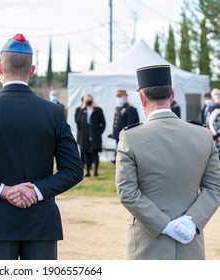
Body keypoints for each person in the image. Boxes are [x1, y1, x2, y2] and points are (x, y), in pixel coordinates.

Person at [0, 33, 83, 260]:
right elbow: (73, 170)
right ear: (32, 70)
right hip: (41, 223)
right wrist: (36, 191)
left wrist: (3, 191)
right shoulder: (54, 112)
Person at [116, 64, 220, 260]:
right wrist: (193, 222)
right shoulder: (203, 135)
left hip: (147, 244)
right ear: (172, 95)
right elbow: (215, 187)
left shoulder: (130, 137)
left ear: (141, 98)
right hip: (190, 242)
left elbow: (127, 192)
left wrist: (164, 225)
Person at [75, 94, 106, 177]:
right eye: (86, 100)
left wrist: (99, 132)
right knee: (86, 154)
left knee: (95, 153)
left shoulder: (98, 110)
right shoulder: (81, 110)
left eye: (89, 100)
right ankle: (87, 171)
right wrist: (83, 108)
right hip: (84, 136)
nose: (88, 101)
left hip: (95, 135)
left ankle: (95, 171)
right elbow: (77, 122)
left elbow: (103, 123)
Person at [111, 90, 139, 163]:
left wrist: (127, 134)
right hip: (118, 134)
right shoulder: (119, 108)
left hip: (125, 135)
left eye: (120, 97)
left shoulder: (129, 108)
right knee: (119, 149)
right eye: (118, 97)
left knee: (124, 151)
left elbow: (130, 123)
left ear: (125, 97)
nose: (118, 99)